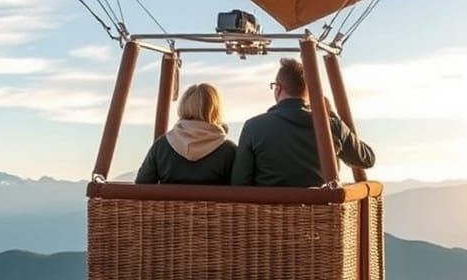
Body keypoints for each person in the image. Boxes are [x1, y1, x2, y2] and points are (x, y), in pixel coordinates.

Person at [231, 57, 374, 187]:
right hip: (322, 213)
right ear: (310, 92)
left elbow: (239, 182)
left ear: (278, 88)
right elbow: (367, 159)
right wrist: (330, 115)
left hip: (267, 214)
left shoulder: (253, 127)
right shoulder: (331, 125)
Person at [136, 83, 236, 184]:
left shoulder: (161, 146)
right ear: (215, 110)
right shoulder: (229, 151)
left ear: (183, 106)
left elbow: (141, 186)